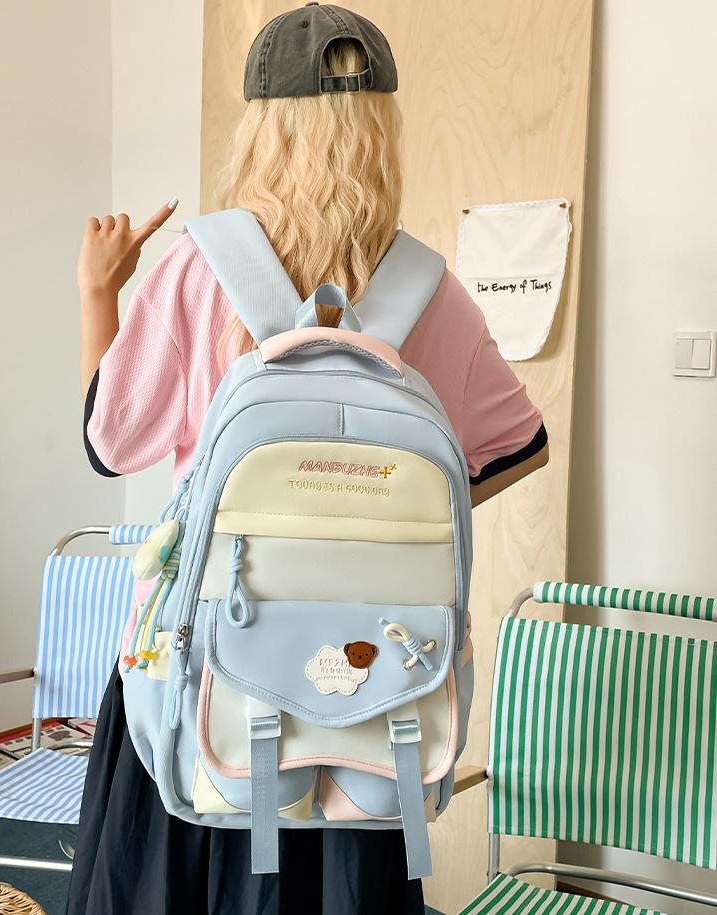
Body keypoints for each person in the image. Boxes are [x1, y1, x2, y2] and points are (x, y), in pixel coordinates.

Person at [69, 5, 549, 913]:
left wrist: (99, 293)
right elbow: (521, 442)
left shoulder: (197, 269)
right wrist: (373, 521)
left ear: (262, 124)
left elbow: (110, 440)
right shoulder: (427, 289)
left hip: (207, 678)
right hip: (372, 695)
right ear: (382, 125)